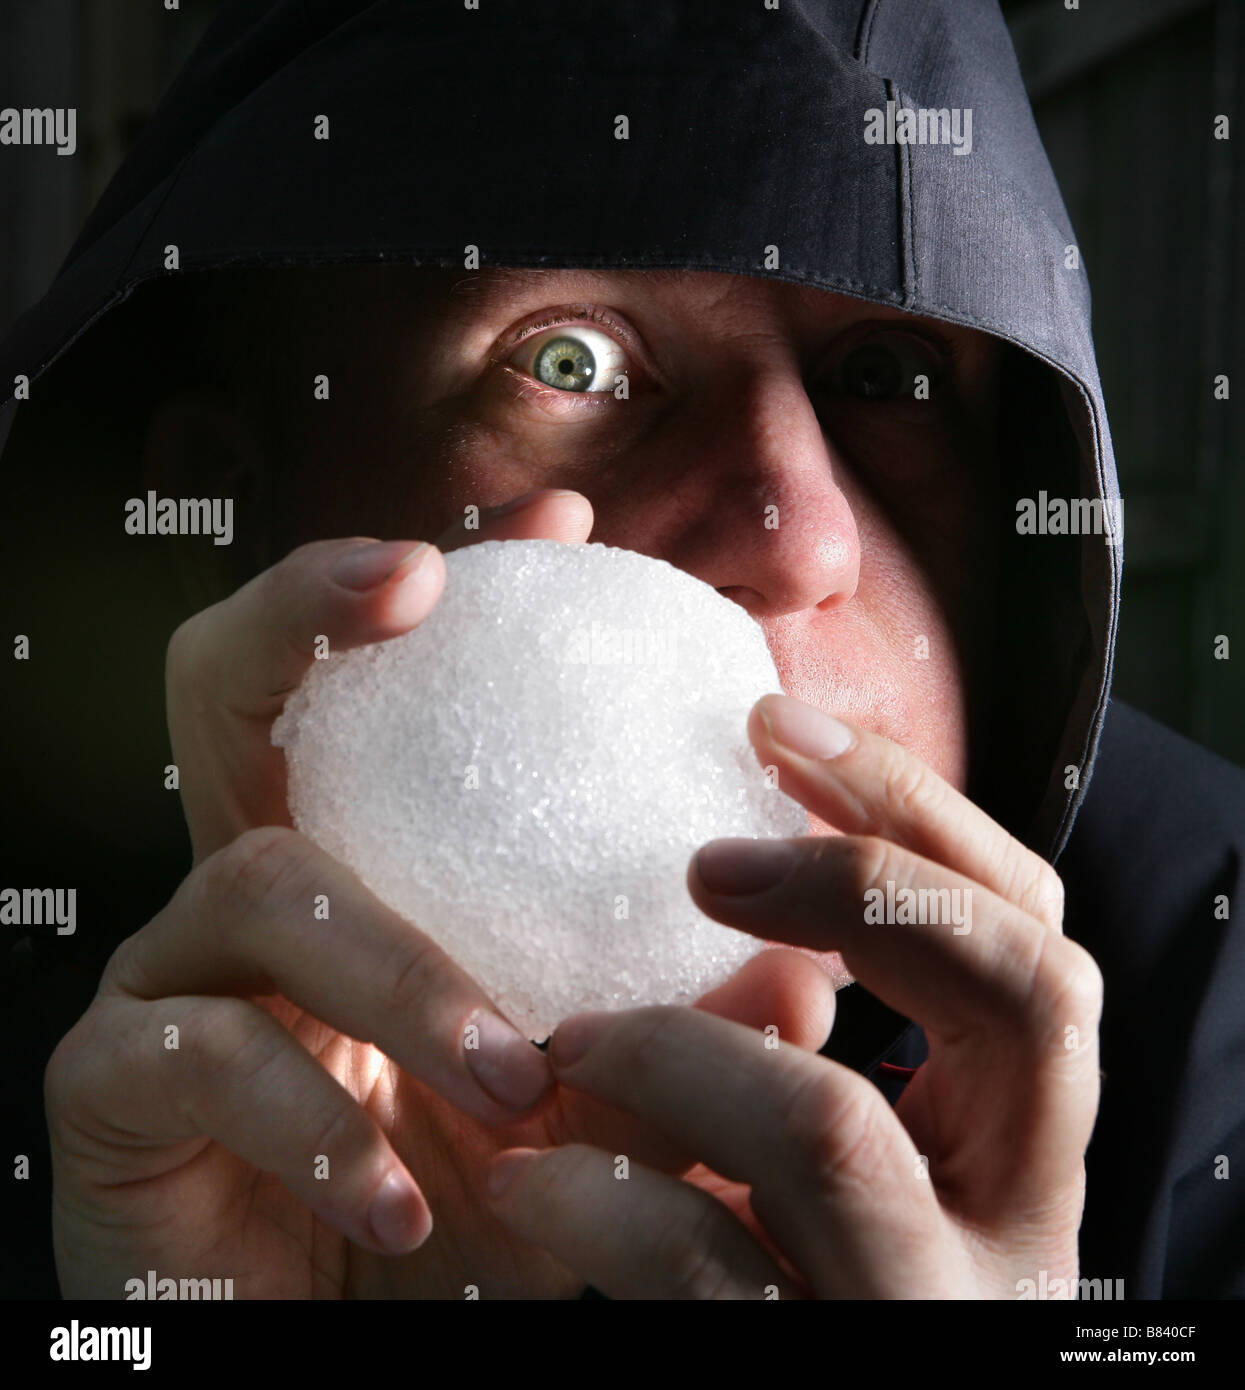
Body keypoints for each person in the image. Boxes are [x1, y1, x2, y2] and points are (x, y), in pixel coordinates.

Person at [2, 0, 1242, 1299]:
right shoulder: (110, 1120)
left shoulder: (1210, 1022)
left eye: (888, 376)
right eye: (568, 357)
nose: (801, 533)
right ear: (235, 515)